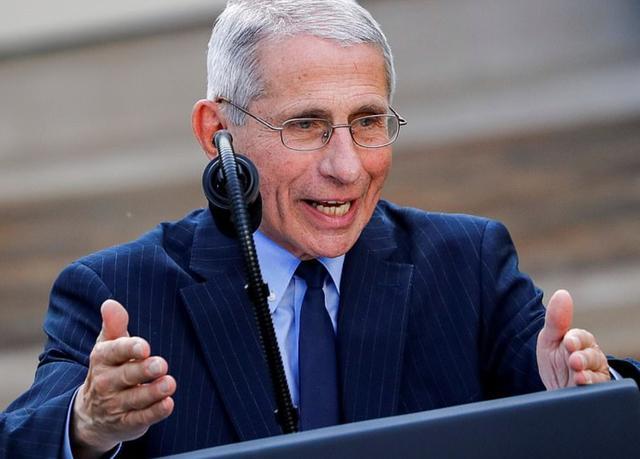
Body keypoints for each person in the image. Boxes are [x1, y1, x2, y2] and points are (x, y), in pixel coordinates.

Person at [2, 0, 639, 457]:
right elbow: (21, 441)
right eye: (305, 125)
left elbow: (602, 406)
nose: (347, 167)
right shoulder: (117, 291)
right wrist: (87, 425)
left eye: (368, 122)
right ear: (216, 132)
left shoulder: (467, 262)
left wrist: (586, 391)